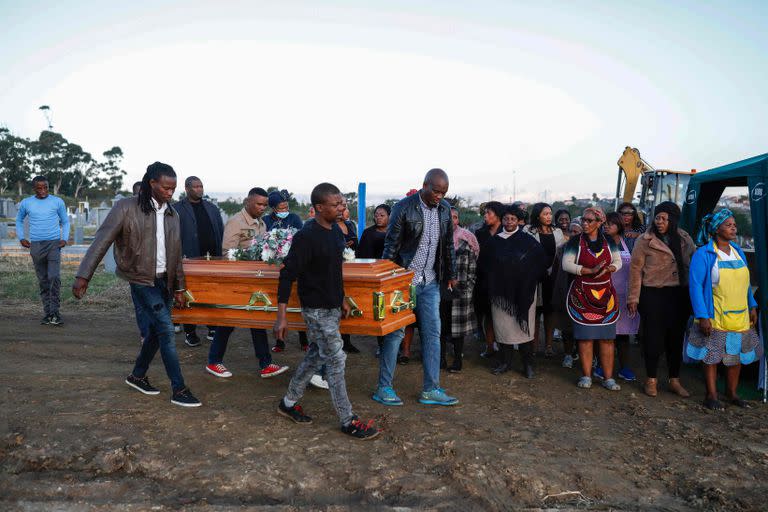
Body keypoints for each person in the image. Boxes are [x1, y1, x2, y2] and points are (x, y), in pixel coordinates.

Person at [73, 162, 201, 407]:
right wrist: (83, 275)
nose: (170, 193)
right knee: (166, 330)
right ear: (151, 183)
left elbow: (176, 254)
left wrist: (180, 288)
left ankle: (137, 375)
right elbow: (102, 240)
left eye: (173, 189)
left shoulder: (173, 214)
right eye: (165, 188)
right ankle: (179, 389)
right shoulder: (126, 208)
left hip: (165, 281)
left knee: (155, 331)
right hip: (141, 280)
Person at [274, 182, 379, 440]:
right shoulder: (306, 236)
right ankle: (347, 419)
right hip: (316, 310)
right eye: (336, 204)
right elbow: (287, 275)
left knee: (315, 356)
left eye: (342, 203)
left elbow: (335, 269)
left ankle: (287, 403)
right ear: (319, 208)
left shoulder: (335, 232)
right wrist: (282, 316)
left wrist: (342, 297)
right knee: (335, 358)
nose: (342, 208)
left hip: (332, 307)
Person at [373, 168, 459, 407]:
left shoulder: (444, 211)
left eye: (444, 192)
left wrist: (451, 274)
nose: (439, 196)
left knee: (433, 334)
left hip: (429, 282)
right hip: (402, 282)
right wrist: (388, 281)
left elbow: (448, 246)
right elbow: (390, 247)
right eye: (436, 191)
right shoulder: (403, 208)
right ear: (424, 185)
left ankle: (431, 389)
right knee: (396, 334)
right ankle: (384, 387)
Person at [206, 187, 290, 380]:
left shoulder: (261, 224)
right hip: (237, 280)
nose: (262, 208)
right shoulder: (236, 222)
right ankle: (213, 361)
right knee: (228, 319)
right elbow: (228, 253)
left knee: (256, 319)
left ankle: (265, 363)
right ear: (247, 202)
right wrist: (249, 258)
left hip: (254, 279)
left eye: (265, 205)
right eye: (258, 204)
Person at [687, 210, 762, 410]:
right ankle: (711, 395)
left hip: (740, 315)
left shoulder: (737, 250)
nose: (733, 228)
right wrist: (702, 316)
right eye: (728, 225)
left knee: (735, 355)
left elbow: (745, 284)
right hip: (716, 315)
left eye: (734, 224)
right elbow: (695, 286)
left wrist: (752, 305)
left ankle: (732, 393)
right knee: (711, 355)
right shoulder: (703, 254)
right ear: (716, 229)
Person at [628, 201, 695, 398]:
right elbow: (635, 270)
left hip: (678, 295)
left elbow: (694, 265)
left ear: (673, 220)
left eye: (665, 218)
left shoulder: (684, 239)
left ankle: (674, 380)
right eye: (657, 217)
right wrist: (633, 297)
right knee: (653, 338)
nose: (660, 221)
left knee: (676, 338)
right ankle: (651, 380)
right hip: (653, 294)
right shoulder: (644, 240)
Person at [562, 207, 623, 391]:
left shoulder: (609, 241)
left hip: (605, 295)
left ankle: (608, 377)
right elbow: (566, 264)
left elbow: (618, 261)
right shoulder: (575, 241)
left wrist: (608, 269)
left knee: (607, 339)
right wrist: (588, 271)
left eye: (590, 221)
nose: (585, 224)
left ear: (599, 223)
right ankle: (586, 375)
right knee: (585, 338)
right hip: (582, 294)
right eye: (584, 220)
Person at [489, 206, 547, 378]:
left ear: (518, 221)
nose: (509, 222)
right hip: (501, 296)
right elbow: (487, 266)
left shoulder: (527, 241)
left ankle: (528, 365)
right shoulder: (494, 241)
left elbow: (540, 262)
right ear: (502, 220)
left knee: (524, 329)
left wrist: (527, 277)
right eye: (506, 219)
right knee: (503, 329)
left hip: (524, 293)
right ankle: (505, 362)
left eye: (513, 219)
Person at [174, 176, 224, 346]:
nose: (200, 189)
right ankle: (190, 332)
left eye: (201, 186)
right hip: (188, 259)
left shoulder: (212, 208)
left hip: (211, 259)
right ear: (187, 189)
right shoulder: (176, 209)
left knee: (210, 293)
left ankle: (212, 326)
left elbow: (220, 231)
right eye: (196, 186)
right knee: (189, 295)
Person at [16, 175, 70, 326]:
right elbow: (19, 220)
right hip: (36, 245)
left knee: (54, 277)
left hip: (53, 244)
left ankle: (56, 313)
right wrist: (21, 237)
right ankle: (48, 314)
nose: (43, 190)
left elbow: (65, 221)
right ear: (34, 188)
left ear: (48, 186)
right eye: (39, 188)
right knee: (43, 280)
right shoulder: (27, 203)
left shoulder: (57, 201)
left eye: (45, 187)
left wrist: (64, 238)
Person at [597, 212, 638, 382]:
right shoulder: (598, 243)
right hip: (602, 294)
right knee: (604, 333)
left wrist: (633, 297)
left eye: (611, 224)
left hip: (624, 295)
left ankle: (624, 367)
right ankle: (601, 366)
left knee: (623, 334)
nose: (607, 226)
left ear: (619, 225)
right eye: (605, 224)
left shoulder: (629, 242)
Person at [524, 202, 567, 357]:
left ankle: (548, 345)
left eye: (550, 213)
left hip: (553, 277)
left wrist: (553, 270)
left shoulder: (557, 232)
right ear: (537, 215)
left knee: (550, 312)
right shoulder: (528, 230)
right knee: (534, 312)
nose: (549, 216)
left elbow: (560, 254)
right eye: (545, 214)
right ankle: (533, 346)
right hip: (534, 277)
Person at [440, 206, 479, 373]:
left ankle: (457, 359)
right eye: (449, 217)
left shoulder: (468, 239)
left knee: (458, 327)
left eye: (455, 217)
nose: (452, 220)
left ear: (458, 219)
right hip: (440, 288)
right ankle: (440, 358)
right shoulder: (437, 238)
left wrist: (468, 286)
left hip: (460, 288)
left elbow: (473, 265)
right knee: (440, 325)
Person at [356, 203, 391, 355]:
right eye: (376, 215)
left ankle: (397, 345)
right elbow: (361, 255)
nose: (378, 217)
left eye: (382, 215)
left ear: (390, 216)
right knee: (379, 311)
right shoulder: (368, 233)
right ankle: (381, 345)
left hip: (392, 275)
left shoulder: (396, 232)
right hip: (375, 277)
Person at [474, 201, 505, 358]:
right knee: (488, 314)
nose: (485, 216)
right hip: (484, 280)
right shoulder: (479, 234)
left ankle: (504, 347)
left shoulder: (507, 233)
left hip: (503, 281)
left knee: (502, 316)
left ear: (498, 215)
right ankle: (490, 346)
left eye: (489, 213)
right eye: (484, 213)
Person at [336, 198, 360, 353]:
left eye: (346, 208)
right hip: (336, 268)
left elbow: (356, 242)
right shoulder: (331, 226)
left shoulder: (350, 225)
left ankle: (347, 340)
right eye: (342, 207)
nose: (344, 210)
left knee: (349, 302)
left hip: (350, 267)